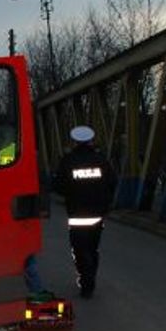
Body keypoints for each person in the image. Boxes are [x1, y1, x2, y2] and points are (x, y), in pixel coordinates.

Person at [53, 125, 117, 298]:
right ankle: (91, 277)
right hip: (97, 215)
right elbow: (112, 183)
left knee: (79, 250)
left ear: (74, 141)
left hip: (76, 215)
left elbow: (58, 186)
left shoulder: (68, 161)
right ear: (91, 141)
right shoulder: (101, 160)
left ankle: (85, 280)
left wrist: (72, 192)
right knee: (93, 248)